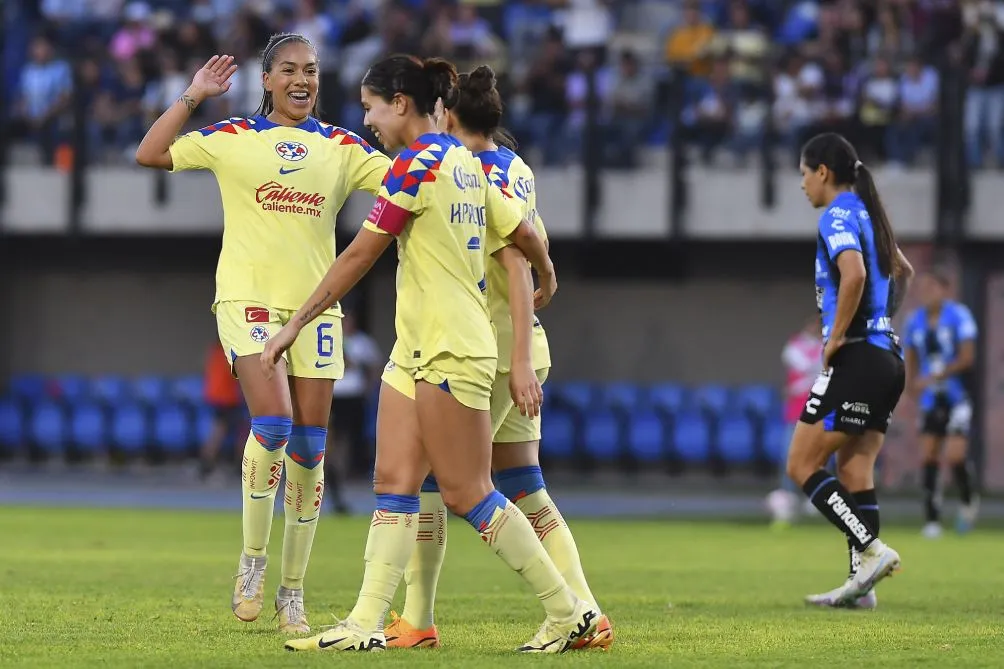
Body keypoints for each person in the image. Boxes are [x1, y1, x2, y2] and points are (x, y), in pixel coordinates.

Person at [263, 54, 600, 654]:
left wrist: (295, 324)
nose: (366, 121)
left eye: (369, 107)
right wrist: (548, 272)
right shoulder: (465, 162)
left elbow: (359, 255)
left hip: (452, 346)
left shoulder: (416, 165)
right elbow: (522, 232)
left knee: (468, 492)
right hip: (414, 348)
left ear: (400, 103)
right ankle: (367, 622)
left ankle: (567, 610)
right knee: (393, 482)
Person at [134, 34, 392, 633]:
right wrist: (194, 95)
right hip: (247, 300)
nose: (303, 79)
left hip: (317, 312)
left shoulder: (343, 148)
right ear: (267, 80)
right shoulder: (233, 139)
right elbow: (150, 153)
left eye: (311, 70)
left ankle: (292, 591)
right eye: (289, 70)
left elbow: (410, 185)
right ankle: (252, 560)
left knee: (309, 450)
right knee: (272, 424)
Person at [381, 65, 612, 651]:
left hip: (483, 350)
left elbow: (513, 260)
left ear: (447, 115)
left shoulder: (463, 170)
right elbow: (536, 243)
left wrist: (514, 360)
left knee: (443, 480)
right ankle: (585, 609)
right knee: (524, 484)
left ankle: (423, 618)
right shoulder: (516, 167)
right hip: (519, 342)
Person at [786, 132, 914, 609]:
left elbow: (855, 274)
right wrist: (878, 324)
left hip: (858, 356)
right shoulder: (869, 213)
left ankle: (873, 550)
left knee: (801, 464)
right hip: (887, 357)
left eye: (803, 174)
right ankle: (862, 587)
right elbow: (903, 271)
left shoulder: (838, 213)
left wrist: (839, 335)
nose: (802, 185)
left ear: (823, 172)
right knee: (856, 467)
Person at [904, 270, 979, 537]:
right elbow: (910, 356)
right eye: (923, 288)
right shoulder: (915, 321)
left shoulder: (959, 316)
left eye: (932, 288)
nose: (926, 293)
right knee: (929, 455)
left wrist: (937, 374)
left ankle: (968, 501)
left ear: (944, 290)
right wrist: (911, 385)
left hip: (957, 396)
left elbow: (967, 358)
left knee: (955, 455)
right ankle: (932, 519)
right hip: (929, 398)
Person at [767, 314, 823, 528]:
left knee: (818, 458)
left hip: (818, 411)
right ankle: (787, 500)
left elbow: (822, 367)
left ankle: (816, 499)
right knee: (789, 457)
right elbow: (807, 365)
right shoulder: (794, 346)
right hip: (795, 413)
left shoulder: (825, 346)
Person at [324, 309, 382, 514]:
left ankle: (344, 471)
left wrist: (368, 387)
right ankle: (332, 476)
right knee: (330, 440)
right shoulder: (330, 339)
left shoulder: (362, 343)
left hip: (353, 397)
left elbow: (375, 366)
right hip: (334, 396)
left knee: (348, 439)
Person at [199, 342, 244, 481]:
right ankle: (238, 466)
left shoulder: (214, 352)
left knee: (221, 430)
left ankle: (207, 464)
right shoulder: (228, 353)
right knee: (231, 431)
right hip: (227, 398)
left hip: (217, 396)